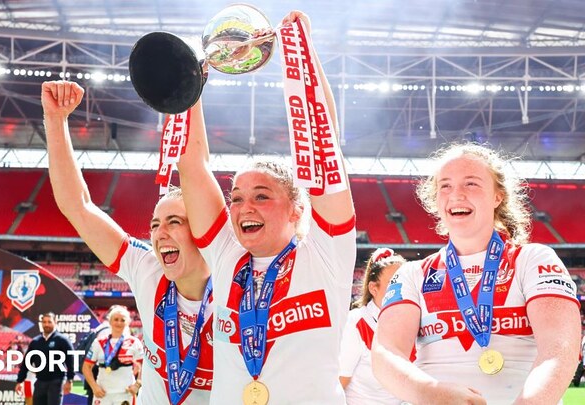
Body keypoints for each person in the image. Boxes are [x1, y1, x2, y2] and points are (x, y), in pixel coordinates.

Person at [176, 11, 356, 405]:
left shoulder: (327, 255)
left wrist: (302, 58)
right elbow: (191, 165)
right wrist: (192, 82)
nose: (243, 207)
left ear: (296, 208)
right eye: (236, 197)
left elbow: (324, 151)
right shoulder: (226, 255)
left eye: (261, 195)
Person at [42, 80, 214, 404]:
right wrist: (55, 120)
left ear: (203, 228)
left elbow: (197, 166)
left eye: (174, 221)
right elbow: (78, 207)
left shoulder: (240, 284)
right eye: (154, 224)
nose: (160, 232)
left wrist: (190, 87)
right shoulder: (146, 267)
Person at [372, 143, 581, 405]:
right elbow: (385, 352)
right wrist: (429, 392)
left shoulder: (533, 260)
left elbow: (560, 348)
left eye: (470, 184)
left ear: (497, 196)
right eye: (445, 185)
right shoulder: (413, 274)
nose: (456, 194)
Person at [339, 248, 407, 404]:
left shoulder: (414, 321)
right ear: (373, 288)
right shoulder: (356, 323)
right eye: (393, 283)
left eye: (405, 281)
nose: (401, 288)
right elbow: (339, 382)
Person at [83, 306, 144, 405]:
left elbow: (144, 365)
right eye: (116, 319)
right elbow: (86, 366)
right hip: (102, 394)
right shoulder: (99, 342)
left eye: (122, 320)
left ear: (127, 322)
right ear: (110, 321)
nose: (119, 323)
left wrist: (137, 384)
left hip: (125, 393)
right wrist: (94, 387)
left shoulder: (134, 342)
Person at [16, 313, 75, 405]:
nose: (46, 324)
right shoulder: (35, 342)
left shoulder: (63, 340)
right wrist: (20, 381)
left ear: (55, 322)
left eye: (49, 322)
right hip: (40, 382)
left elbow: (71, 362)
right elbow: (26, 363)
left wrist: (70, 380)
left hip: (56, 382)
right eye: (44, 322)